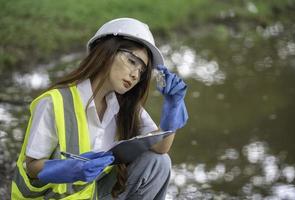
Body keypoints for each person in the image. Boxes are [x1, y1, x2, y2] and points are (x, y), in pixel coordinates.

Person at [11, 17, 188, 199]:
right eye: (132, 61)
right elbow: (31, 168)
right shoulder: (54, 102)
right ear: (106, 51)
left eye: (142, 71)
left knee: (158, 163)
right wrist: (65, 169)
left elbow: (160, 148)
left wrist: (172, 109)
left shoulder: (124, 106)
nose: (135, 75)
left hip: (91, 195)